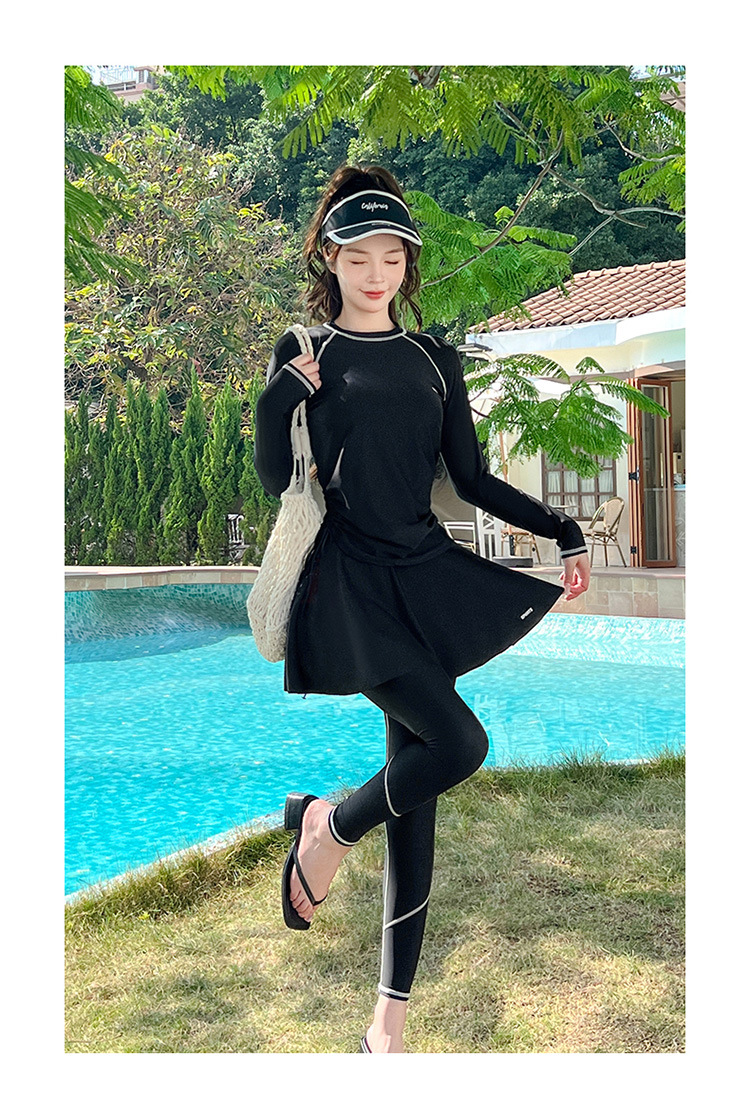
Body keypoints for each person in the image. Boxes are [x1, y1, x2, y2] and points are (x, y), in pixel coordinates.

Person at [253, 164, 590, 1054]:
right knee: (461, 744)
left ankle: (386, 1029)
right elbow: (277, 478)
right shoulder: (307, 350)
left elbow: (469, 479)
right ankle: (329, 826)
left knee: (420, 793)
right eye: (358, 256)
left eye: (391, 257)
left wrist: (562, 528)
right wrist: (279, 399)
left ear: (407, 264)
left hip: (423, 574)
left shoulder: (435, 360)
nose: (376, 273)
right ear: (330, 260)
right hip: (349, 585)